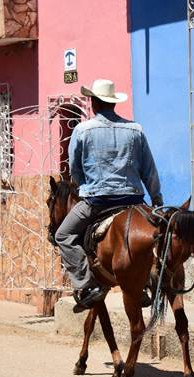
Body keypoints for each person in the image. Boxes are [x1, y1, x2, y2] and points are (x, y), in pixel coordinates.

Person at [55, 78, 164, 311]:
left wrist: (86, 185)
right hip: (134, 201)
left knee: (63, 235)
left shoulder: (82, 130)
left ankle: (86, 284)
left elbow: (74, 168)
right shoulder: (135, 130)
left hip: (97, 201)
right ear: (113, 104)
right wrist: (156, 199)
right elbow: (149, 169)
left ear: (93, 103)